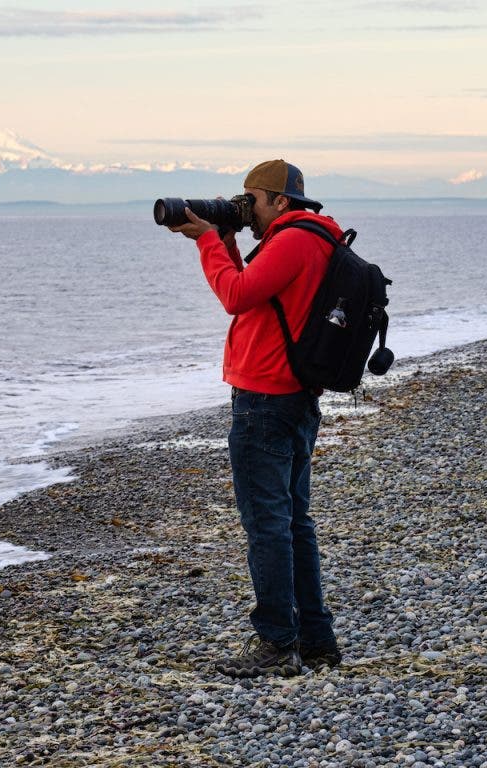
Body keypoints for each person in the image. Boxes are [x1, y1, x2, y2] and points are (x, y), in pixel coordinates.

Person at [167, 159, 342, 677]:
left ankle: (276, 643)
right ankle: (315, 640)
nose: (246, 210)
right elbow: (261, 293)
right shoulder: (316, 237)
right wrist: (226, 238)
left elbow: (235, 296)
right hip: (295, 396)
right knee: (294, 522)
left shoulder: (291, 240)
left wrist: (206, 242)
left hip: (265, 399)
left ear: (280, 201)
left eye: (253, 201)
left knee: (267, 524)